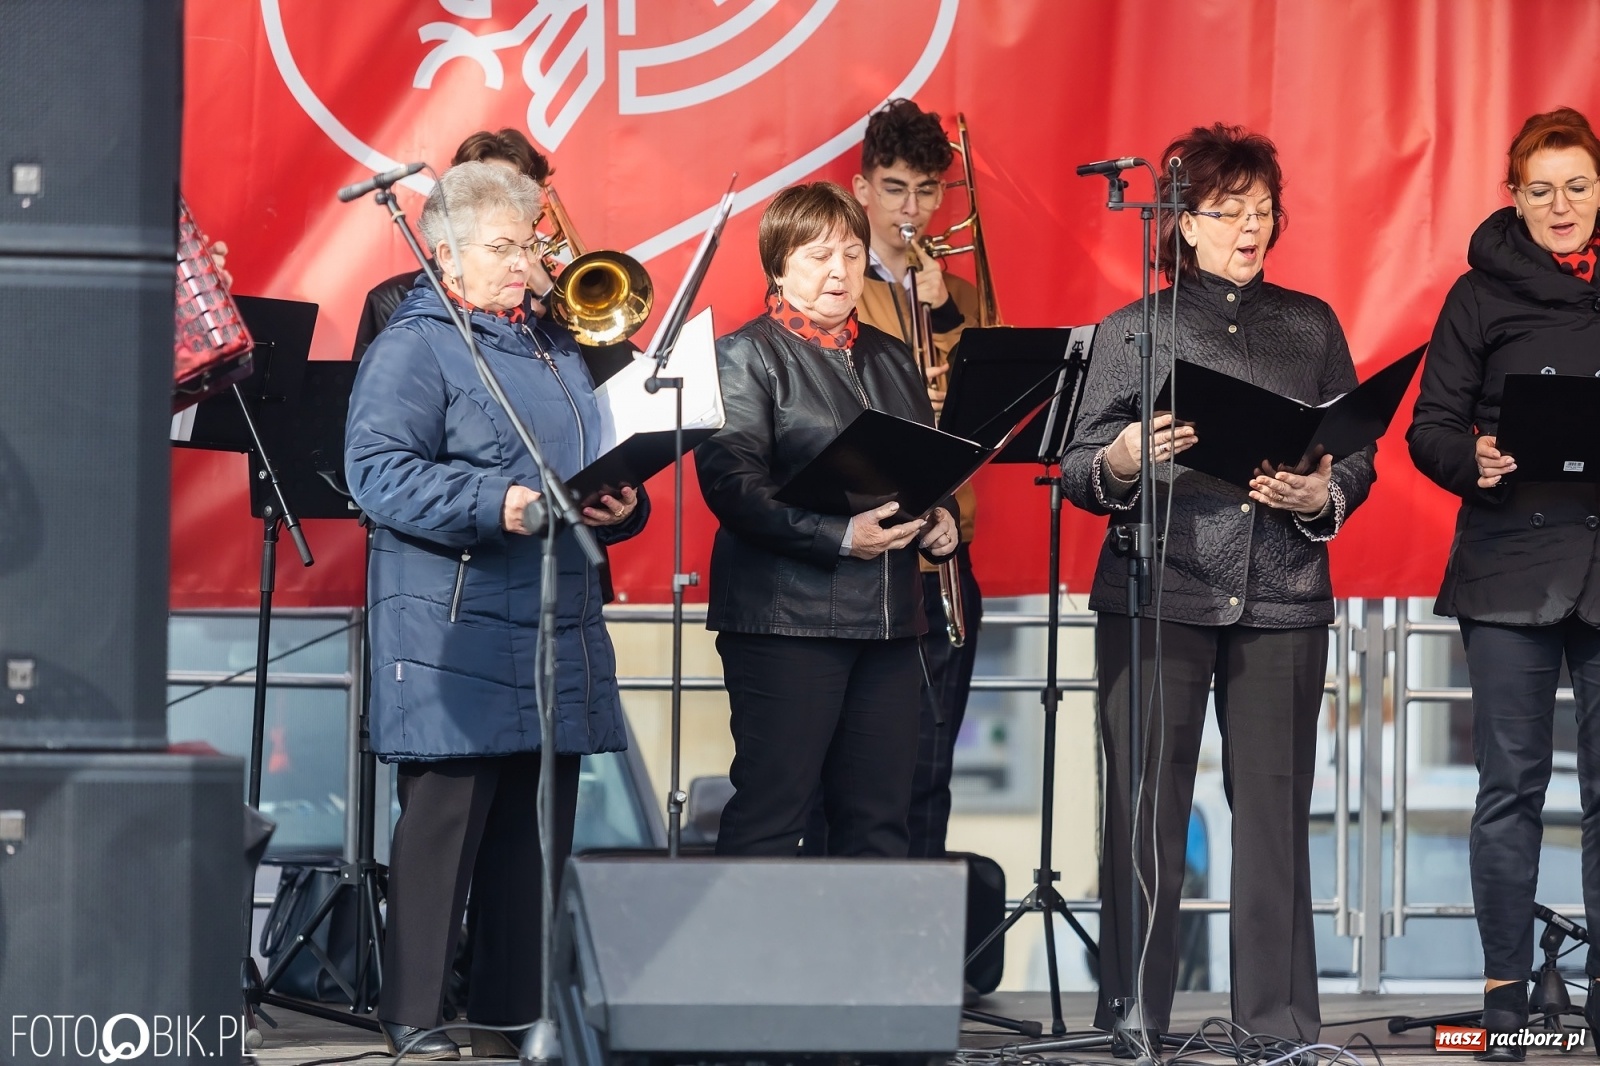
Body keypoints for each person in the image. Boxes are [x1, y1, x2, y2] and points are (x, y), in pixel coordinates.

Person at [1059, 123, 1375, 1047]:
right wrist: (1121, 459)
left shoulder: (1311, 325)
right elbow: (1076, 465)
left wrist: (1325, 493)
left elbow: (1355, 453)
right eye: (1228, 210)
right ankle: (1134, 1021)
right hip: (1159, 589)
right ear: (1183, 225)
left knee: (1274, 814)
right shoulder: (1133, 329)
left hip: (1282, 593)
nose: (1250, 227)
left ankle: (1277, 1026)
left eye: (1262, 210)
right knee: (1144, 815)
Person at [345, 161, 648, 1060]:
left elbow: (591, 456)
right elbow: (377, 473)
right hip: (454, 626)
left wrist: (619, 503)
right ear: (445, 255)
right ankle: (416, 1017)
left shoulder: (556, 346)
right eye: (500, 248)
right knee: (445, 833)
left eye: (528, 245)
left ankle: (513, 1021)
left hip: (553, 617)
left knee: (533, 841)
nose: (523, 264)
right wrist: (500, 503)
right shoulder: (415, 344)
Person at [1408, 106, 1600, 1060]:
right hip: (1509, 567)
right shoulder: (1477, 295)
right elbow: (1429, 428)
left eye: (1578, 186)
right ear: (1514, 198)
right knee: (1510, 787)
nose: (1561, 205)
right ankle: (1502, 996)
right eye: (1541, 189)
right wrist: (1471, 458)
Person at [694, 181, 960, 859]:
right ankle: (746, 937)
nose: (839, 271)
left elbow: (922, 465)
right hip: (787, 621)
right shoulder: (742, 356)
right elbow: (732, 485)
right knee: (773, 814)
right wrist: (840, 537)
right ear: (778, 266)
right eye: (818, 256)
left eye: (851, 253)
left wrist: (942, 518)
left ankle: (863, 940)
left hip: (891, 622)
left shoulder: (891, 354)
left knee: (880, 823)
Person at [840, 97, 984, 858]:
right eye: (895, 188)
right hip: (860, 548)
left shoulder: (959, 293)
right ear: (863, 189)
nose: (911, 209)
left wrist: (947, 315)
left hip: (942, 548)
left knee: (930, 765)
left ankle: (924, 920)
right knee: (852, 772)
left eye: (927, 191)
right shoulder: (835, 282)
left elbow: (995, 407)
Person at [350, 128, 553, 362]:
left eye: (519, 191)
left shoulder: (551, 291)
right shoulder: (392, 298)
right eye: (491, 189)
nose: (508, 200)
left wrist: (549, 297)